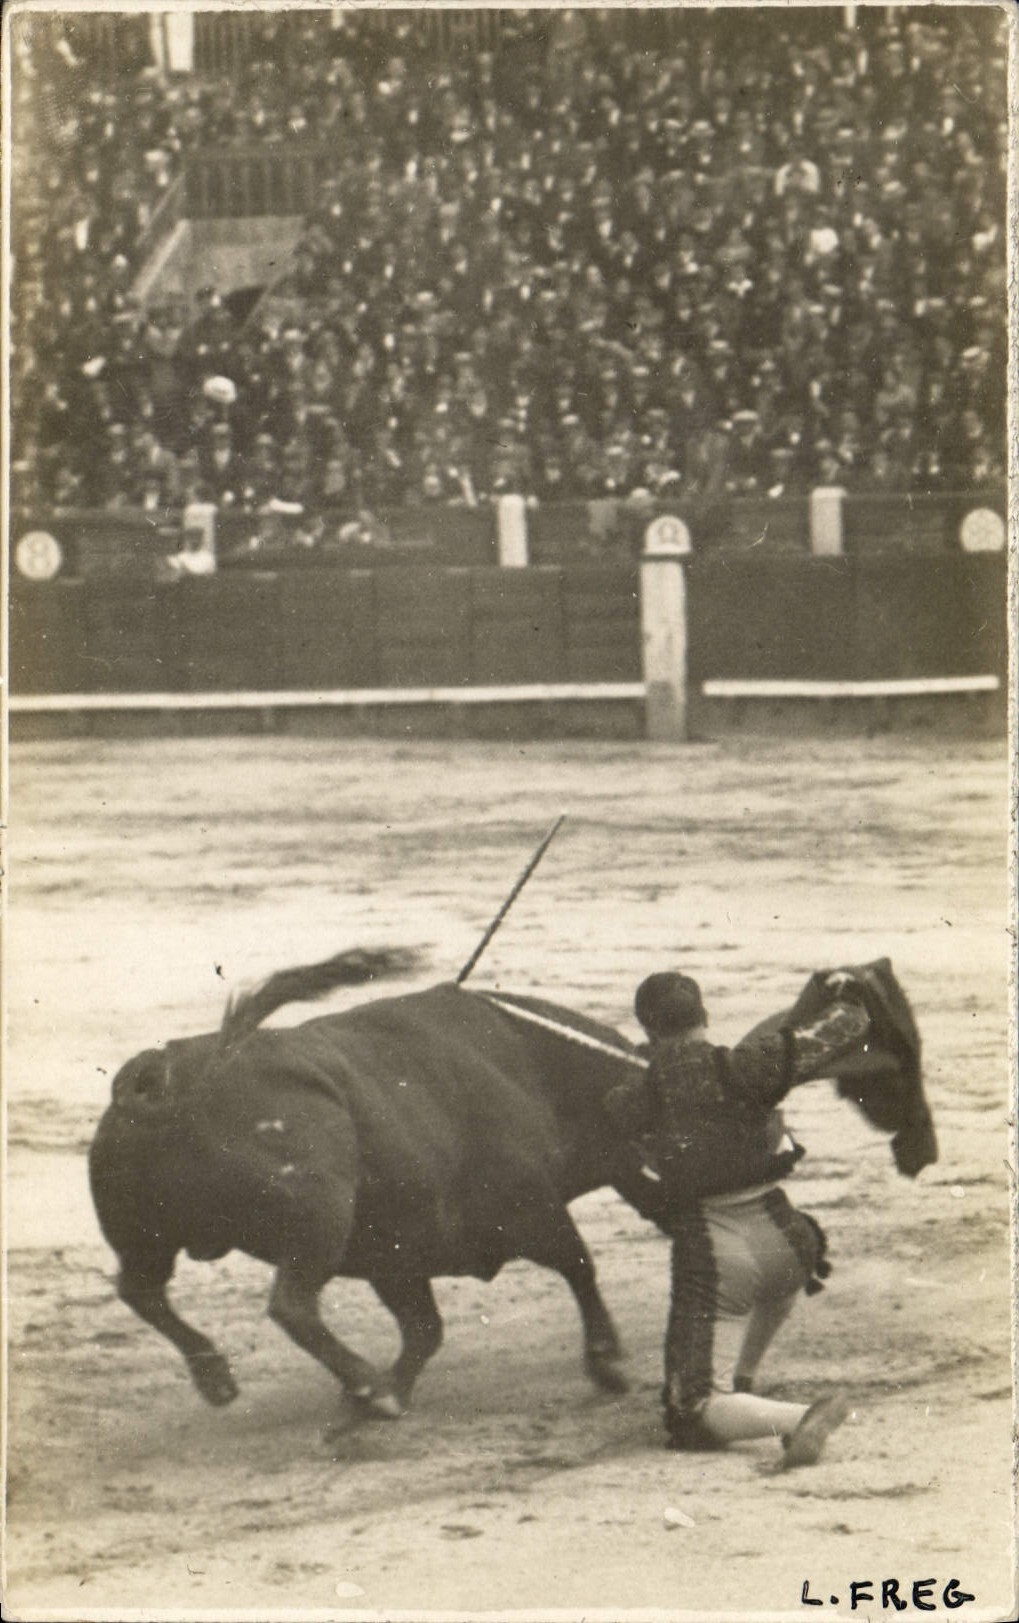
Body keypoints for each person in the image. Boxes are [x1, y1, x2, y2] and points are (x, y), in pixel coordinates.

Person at [612, 968, 871, 1467]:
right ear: (705, 1016)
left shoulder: (633, 1099)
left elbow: (624, 1110)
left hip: (718, 1256)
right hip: (789, 1242)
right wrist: (845, 992)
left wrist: (651, 1065)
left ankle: (801, 1418)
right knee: (776, 1282)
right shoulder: (751, 1066)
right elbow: (844, 1028)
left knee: (689, 1412)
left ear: (647, 1030)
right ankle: (745, 1379)